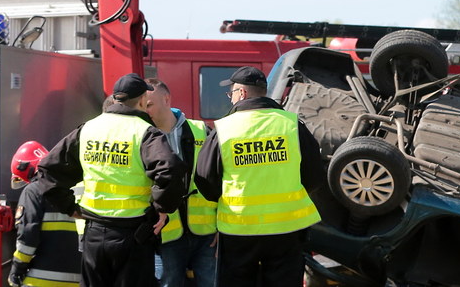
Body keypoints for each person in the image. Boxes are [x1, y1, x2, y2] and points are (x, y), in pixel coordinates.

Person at [37, 73, 187, 287]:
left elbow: (48, 170)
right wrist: (162, 208)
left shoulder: (88, 128)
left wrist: (69, 207)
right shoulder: (145, 132)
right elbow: (171, 171)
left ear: (116, 98)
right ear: (143, 99)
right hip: (133, 234)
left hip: (94, 232)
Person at [194, 66, 325, 287]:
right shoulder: (291, 124)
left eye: (232, 93)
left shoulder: (225, 129)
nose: (231, 98)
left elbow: (205, 177)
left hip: (239, 227)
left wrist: (223, 199)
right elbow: (314, 174)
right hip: (288, 228)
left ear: (242, 94)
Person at [144, 78, 218, 287]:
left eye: (149, 104)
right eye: (142, 105)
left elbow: (222, 179)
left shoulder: (201, 130)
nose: (145, 110)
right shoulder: (142, 136)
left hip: (206, 232)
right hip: (166, 235)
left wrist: (222, 225)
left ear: (166, 99)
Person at [8, 141, 82, 287]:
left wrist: (16, 269)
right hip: (78, 279)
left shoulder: (33, 191)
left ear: (27, 168)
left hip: (40, 280)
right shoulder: (77, 188)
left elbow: (28, 234)